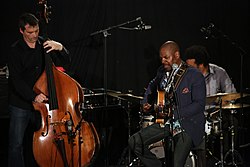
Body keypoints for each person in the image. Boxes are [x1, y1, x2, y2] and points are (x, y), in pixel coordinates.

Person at [128, 41, 206, 167]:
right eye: (161, 58)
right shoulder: (162, 71)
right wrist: (145, 102)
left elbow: (199, 105)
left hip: (187, 124)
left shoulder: (194, 75)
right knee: (135, 142)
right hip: (165, 122)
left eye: (166, 57)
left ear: (176, 55)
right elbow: (152, 86)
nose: (163, 61)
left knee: (176, 164)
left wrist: (174, 113)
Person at [8, 13, 70, 167]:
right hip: (21, 104)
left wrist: (60, 47)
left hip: (43, 107)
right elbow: (16, 80)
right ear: (22, 31)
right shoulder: (15, 51)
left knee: (43, 142)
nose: (34, 35)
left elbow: (66, 62)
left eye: (36, 31)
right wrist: (33, 96)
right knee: (16, 145)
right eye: (30, 32)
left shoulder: (44, 45)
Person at [184, 45, 237, 166]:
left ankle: (227, 159)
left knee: (233, 121)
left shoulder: (219, 73)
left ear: (201, 65)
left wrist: (223, 103)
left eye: (191, 67)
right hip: (196, 117)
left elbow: (232, 95)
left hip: (216, 116)